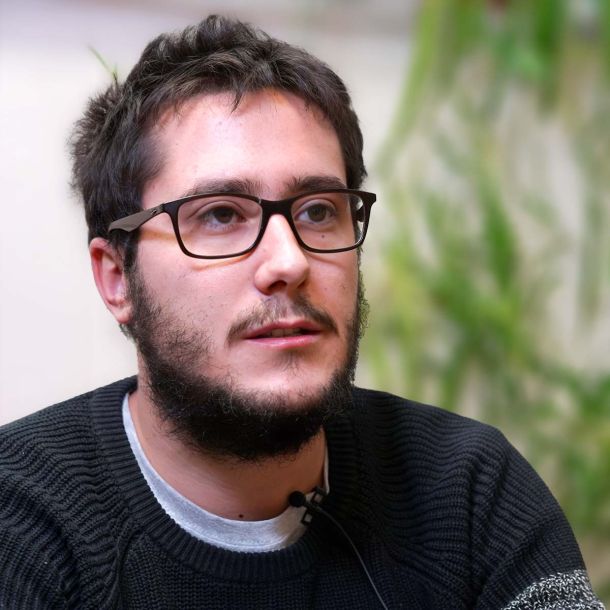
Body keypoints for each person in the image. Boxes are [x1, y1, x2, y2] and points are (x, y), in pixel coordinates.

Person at [0, 15, 604, 610]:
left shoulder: (466, 487)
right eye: (220, 215)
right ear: (116, 278)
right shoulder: (22, 522)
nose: (289, 262)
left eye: (318, 211)